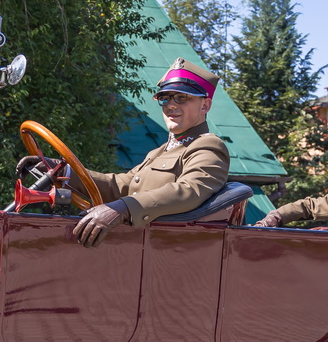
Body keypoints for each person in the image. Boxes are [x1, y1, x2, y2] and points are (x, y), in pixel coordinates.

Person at [23, 58, 230, 247]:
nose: (171, 105)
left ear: (205, 105)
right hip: (136, 249)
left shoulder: (208, 146)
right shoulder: (158, 152)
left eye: (181, 98)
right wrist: (65, 171)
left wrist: (124, 208)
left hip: (163, 253)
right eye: (165, 98)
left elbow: (190, 190)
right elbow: (121, 185)